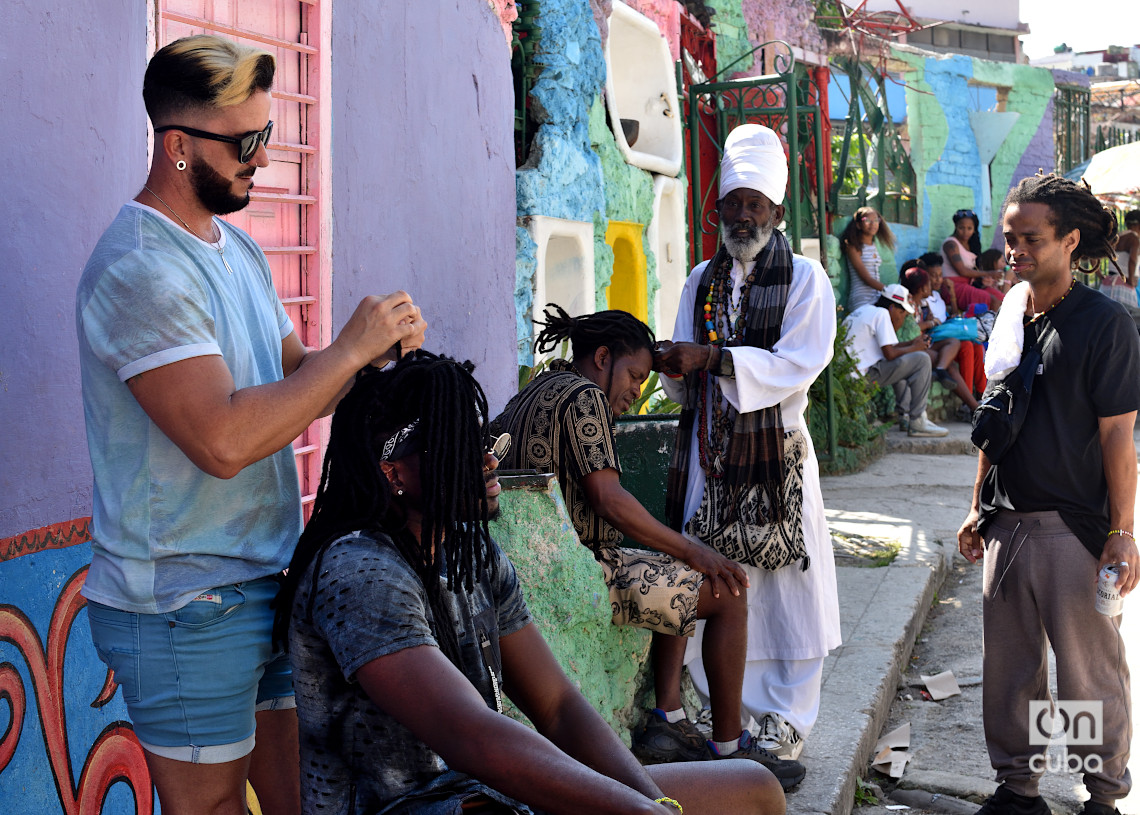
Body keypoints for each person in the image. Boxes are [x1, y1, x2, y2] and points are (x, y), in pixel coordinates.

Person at [75, 35, 426, 815]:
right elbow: (224, 439)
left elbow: (302, 381)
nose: (262, 159)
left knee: (302, 800)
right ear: (176, 146)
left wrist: (369, 359)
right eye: (246, 142)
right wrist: (350, 351)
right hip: (182, 603)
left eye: (267, 136)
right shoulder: (139, 270)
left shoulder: (235, 250)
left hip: (263, 581)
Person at [279, 354, 785, 815]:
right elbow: (469, 735)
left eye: (485, 441)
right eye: (461, 448)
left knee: (752, 790)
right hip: (411, 807)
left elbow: (558, 707)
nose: (489, 460)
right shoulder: (360, 572)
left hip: (483, 793)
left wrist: (656, 805)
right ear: (394, 472)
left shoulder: (470, 552)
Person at [490, 307, 806, 789]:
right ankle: (728, 746)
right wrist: (692, 550)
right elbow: (608, 498)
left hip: (531, 562)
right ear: (601, 357)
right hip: (579, 568)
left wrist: (678, 553)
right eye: (635, 376)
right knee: (727, 594)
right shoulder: (584, 395)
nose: (637, 391)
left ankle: (669, 718)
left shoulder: (536, 388)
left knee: (670, 568)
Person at [653, 123, 840, 770]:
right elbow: (684, 368)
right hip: (710, 455)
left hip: (776, 461)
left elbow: (800, 362)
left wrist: (712, 357)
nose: (741, 215)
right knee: (722, 583)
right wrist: (674, 366)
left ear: (777, 212)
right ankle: (721, 712)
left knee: (787, 592)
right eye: (732, 203)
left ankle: (786, 721)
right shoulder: (700, 278)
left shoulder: (807, 278)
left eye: (754, 204)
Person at [957, 174, 1140, 815]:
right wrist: (976, 504)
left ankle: (1101, 796)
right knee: (1013, 674)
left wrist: (1123, 531)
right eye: (1010, 239)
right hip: (1007, 525)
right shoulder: (1012, 315)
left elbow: (1119, 438)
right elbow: (994, 415)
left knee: (1085, 675)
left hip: (1074, 530)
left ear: (1070, 240)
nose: (1016, 252)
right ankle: (1021, 790)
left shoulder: (1104, 325)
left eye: (1031, 239)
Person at [843, 285, 950, 437]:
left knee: (904, 360)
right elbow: (890, 354)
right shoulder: (882, 314)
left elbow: (890, 348)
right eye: (902, 312)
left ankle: (905, 417)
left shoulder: (866, 310)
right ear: (892, 307)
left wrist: (913, 343)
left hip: (850, 377)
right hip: (860, 379)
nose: (902, 317)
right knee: (922, 359)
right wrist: (915, 348)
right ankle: (917, 420)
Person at [898, 267, 978, 415]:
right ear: (922, 288)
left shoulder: (920, 304)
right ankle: (975, 408)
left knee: (954, 342)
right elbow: (910, 330)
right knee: (951, 367)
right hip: (909, 347)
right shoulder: (907, 304)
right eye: (928, 284)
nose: (932, 287)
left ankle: (941, 369)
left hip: (922, 344)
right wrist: (930, 324)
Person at [942, 209, 1001, 313]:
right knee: (993, 301)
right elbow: (962, 271)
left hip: (969, 285)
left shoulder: (971, 245)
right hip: (953, 287)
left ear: (974, 229)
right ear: (956, 226)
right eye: (961, 228)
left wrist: (982, 279)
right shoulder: (951, 244)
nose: (965, 232)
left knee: (1003, 298)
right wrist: (990, 273)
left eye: (969, 228)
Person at [841, 206, 896, 312]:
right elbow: (866, 279)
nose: (873, 224)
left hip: (876, 297)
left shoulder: (874, 245)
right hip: (862, 300)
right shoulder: (853, 247)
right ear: (858, 224)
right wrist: (890, 290)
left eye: (876, 220)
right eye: (867, 220)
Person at [1099, 209, 1139, 308]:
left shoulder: (1117, 237)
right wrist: (1131, 280)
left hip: (1107, 285)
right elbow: (1132, 261)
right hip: (1124, 288)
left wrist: (1100, 276)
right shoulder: (1134, 238)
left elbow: (1094, 258)